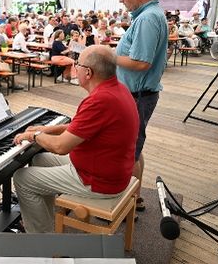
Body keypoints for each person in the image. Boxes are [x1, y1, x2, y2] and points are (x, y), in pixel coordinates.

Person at [12, 45, 138, 233]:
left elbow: (61, 146)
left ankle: (42, 241)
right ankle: (47, 222)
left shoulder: (100, 100)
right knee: (38, 159)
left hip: (99, 180)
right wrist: (45, 129)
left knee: (22, 178)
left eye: (77, 63)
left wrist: (34, 135)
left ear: (88, 72)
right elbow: (80, 128)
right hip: (108, 168)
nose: (74, 67)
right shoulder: (117, 89)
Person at [115, 0, 168, 212]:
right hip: (140, 94)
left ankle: (126, 205)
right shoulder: (150, 14)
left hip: (138, 95)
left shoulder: (147, 18)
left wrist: (108, 57)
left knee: (129, 151)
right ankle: (134, 198)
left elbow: (141, 62)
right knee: (135, 148)